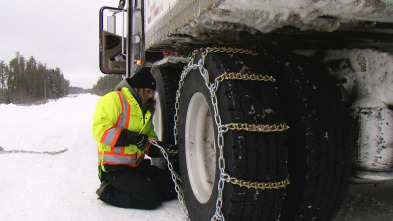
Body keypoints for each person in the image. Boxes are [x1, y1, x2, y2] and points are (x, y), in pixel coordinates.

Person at [92, 67, 176, 209]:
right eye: (148, 92)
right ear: (138, 89)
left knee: (171, 187)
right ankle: (107, 191)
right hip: (114, 169)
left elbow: (148, 140)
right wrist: (132, 137)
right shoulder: (113, 100)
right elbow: (100, 131)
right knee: (151, 198)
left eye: (152, 92)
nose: (151, 96)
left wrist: (164, 149)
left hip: (137, 165)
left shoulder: (145, 109)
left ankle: (143, 186)